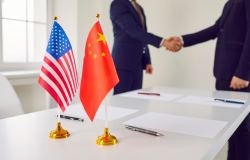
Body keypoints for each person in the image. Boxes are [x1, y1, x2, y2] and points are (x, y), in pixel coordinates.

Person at [169, 0, 250, 159]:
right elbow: (215, 29)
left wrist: (244, 73)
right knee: (230, 129)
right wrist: (183, 40)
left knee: (241, 131)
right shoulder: (230, 3)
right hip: (223, 74)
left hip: (237, 76)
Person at [110, 0, 180, 95]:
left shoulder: (138, 7)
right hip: (123, 63)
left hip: (138, 64)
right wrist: (163, 42)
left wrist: (147, 61)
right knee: (121, 102)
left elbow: (142, 35)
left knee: (136, 100)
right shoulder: (118, 4)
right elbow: (133, 30)